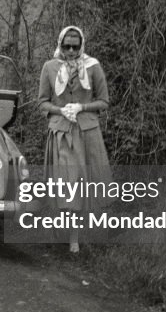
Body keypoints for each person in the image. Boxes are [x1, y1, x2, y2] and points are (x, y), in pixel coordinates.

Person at [37, 25, 112, 253]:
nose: (70, 51)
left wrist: (81, 106)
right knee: (67, 185)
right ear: (60, 45)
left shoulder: (93, 66)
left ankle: (78, 236)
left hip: (86, 134)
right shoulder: (49, 67)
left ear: (81, 46)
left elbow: (104, 101)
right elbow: (42, 102)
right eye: (66, 46)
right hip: (61, 134)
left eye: (75, 46)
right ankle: (66, 234)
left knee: (82, 183)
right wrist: (61, 111)